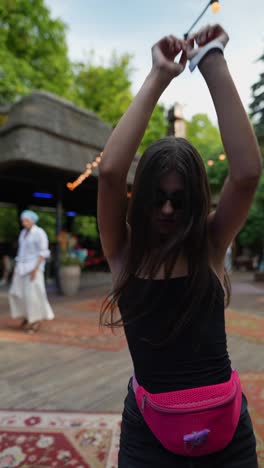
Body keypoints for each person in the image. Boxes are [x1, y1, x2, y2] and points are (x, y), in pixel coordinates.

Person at [98, 25, 261, 467]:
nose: (168, 209)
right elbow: (111, 174)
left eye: (180, 199)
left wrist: (212, 61)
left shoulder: (209, 241)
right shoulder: (124, 250)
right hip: (149, 432)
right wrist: (158, 76)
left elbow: (246, 174)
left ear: (196, 201)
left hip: (229, 432)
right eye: (158, 197)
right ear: (142, 195)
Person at [9, 210, 54, 333]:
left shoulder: (40, 233)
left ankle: (35, 321)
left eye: (26, 220)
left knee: (33, 295)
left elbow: (43, 252)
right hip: (21, 268)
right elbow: (21, 252)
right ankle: (26, 316)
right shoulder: (23, 233)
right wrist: (16, 269)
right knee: (18, 293)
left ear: (33, 220)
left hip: (34, 268)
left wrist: (35, 269)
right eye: (23, 221)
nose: (24, 223)